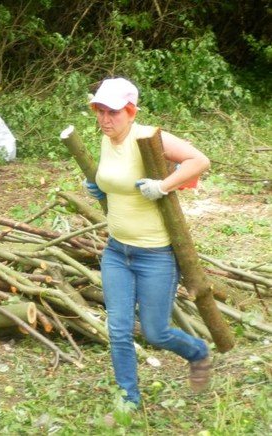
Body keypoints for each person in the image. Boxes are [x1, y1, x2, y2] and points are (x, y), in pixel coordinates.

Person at [84, 77, 212, 408]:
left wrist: (163, 185)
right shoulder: (104, 140)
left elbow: (200, 161)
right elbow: (112, 177)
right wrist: (99, 186)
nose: (104, 119)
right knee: (119, 329)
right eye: (99, 110)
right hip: (116, 251)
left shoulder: (148, 138)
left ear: (130, 111)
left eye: (111, 112)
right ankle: (129, 397)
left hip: (154, 255)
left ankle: (198, 352)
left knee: (155, 332)